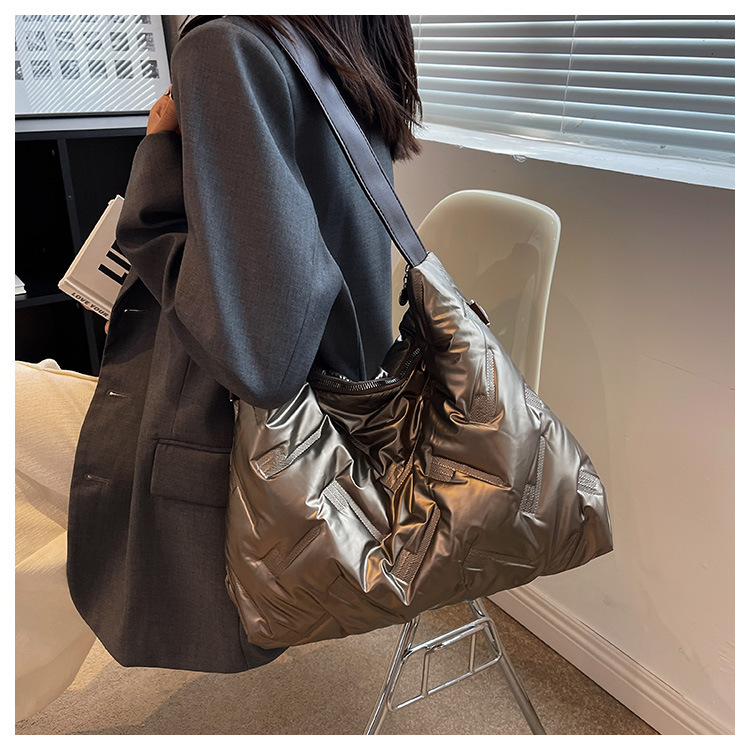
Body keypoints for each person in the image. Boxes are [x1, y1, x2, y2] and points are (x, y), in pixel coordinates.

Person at [65, 15, 423, 674]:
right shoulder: (341, 46)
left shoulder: (225, 48)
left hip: (245, 443)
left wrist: (157, 153)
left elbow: (261, 359)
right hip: (343, 425)